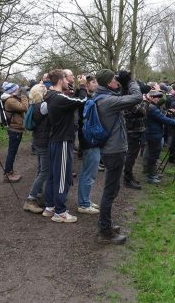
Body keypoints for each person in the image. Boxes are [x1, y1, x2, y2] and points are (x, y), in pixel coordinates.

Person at [94, 69, 142, 244]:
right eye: (115, 79)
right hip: (114, 150)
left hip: (111, 149)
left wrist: (123, 84)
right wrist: (130, 81)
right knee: (109, 191)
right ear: (108, 83)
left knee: (112, 189)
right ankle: (105, 231)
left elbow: (122, 97)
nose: (118, 82)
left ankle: (105, 225)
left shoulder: (102, 97)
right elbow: (137, 97)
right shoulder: (108, 101)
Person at [42, 69, 87, 223]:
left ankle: (50, 207)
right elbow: (82, 101)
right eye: (67, 80)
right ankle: (60, 212)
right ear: (60, 80)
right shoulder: (58, 97)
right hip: (62, 141)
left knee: (53, 175)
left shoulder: (51, 96)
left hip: (55, 139)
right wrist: (82, 86)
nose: (69, 81)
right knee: (62, 176)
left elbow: (70, 102)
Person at [144, 90, 175, 184]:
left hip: (153, 133)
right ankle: (151, 177)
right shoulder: (152, 108)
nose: (158, 99)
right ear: (151, 98)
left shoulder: (153, 106)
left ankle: (152, 174)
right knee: (153, 155)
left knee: (153, 154)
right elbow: (163, 119)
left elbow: (161, 116)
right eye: (157, 97)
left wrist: (167, 112)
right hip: (154, 134)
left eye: (159, 97)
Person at [76, 75, 101, 215]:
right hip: (89, 140)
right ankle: (84, 204)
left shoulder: (88, 97)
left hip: (88, 139)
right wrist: (82, 86)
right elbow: (82, 102)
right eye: (93, 82)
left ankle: (85, 200)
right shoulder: (84, 98)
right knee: (89, 173)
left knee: (87, 172)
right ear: (86, 84)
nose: (96, 84)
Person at [23, 83, 50, 214]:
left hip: (38, 140)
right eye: (46, 90)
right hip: (44, 141)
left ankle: (38, 195)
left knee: (40, 169)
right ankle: (30, 199)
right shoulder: (43, 106)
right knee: (45, 171)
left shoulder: (33, 105)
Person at [122, 87, 149, 190]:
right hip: (132, 131)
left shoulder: (133, 100)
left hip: (136, 130)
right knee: (130, 155)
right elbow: (142, 111)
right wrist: (145, 101)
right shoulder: (130, 101)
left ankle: (130, 175)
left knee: (133, 155)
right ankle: (127, 178)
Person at [0, 82, 27, 183]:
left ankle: (10, 172)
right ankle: (7, 174)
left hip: (16, 128)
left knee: (13, 151)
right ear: (12, 91)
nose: (19, 90)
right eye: (17, 89)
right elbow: (24, 107)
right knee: (12, 152)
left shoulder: (12, 98)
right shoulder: (10, 101)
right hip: (14, 129)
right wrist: (24, 95)